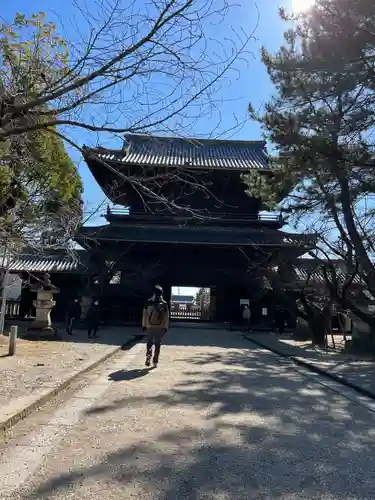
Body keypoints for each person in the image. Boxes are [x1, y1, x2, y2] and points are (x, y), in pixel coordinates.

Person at [142, 285, 169, 367]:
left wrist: (144, 325)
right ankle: (155, 361)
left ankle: (148, 355)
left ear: (153, 293)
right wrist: (165, 327)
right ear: (161, 293)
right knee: (157, 343)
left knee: (149, 341)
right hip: (160, 326)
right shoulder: (164, 304)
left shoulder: (148, 302)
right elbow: (166, 317)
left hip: (149, 325)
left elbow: (145, 314)